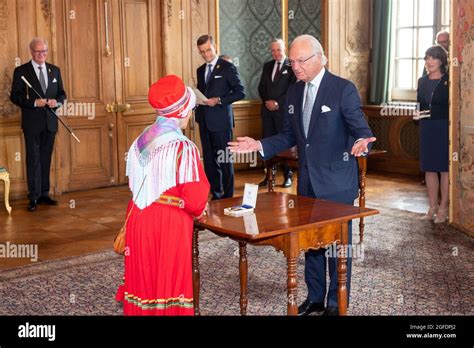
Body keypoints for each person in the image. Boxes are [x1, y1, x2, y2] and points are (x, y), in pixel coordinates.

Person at [228, 35, 376, 316]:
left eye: (300, 61)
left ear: (320, 58)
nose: (294, 67)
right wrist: (258, 145)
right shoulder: (294, 92)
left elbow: (363, 133)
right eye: (292, 62)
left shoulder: (342, 89)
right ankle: (316, 298)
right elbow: (288, 135)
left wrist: (363, 144)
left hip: (337, 186)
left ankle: (336, 303)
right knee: (312, 246)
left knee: (336, 249)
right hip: (307, 183)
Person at [116, 75, 210, 315]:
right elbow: (196, 199)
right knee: (169, 280)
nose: (190, 114)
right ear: (180, 113)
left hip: (138, 219)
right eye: (189, 109)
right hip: (168, 224)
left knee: (144, 279)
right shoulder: (183, 147)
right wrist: (201, 213)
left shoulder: (139, 141)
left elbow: (133, 185)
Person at [10, 37, 66, 212]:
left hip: (50, 123)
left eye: (44, 51)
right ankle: (33, 197)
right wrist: (35, 102)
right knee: (33, 159)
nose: (41, 54)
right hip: (32, 123)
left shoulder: (54, 71)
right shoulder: (21, 71)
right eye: (38, 51)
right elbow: (15, 96)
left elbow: (62, 95)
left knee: (45, 158)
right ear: (31, 52)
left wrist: (55, 102)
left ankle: (43, 194)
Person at [195, 35, 245, 200]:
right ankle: (216, 194)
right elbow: (202, 93)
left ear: (215, 47)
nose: (206, 55)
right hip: (204, 121)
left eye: (209, 50)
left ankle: (228, 196)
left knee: (224, 160)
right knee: (209, 161)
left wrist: (219, 100)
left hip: (221, 122)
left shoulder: (227, 67)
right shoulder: (200, 70)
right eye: (202, 52)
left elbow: (240, 92)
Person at [416, 46, 449, 223]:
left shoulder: (449, 81)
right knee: (429, 168)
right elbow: (420, 106)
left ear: (441, 61)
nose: (429, 62)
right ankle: (432, 207)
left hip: (443, 127)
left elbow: (451, 108)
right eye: (427, 58)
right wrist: (417, 114)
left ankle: (443, 209)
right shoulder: (422, 81)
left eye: (433, 58)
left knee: (443, 169)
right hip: (426, 128)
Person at [257, 39, 296, 188]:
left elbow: (292, 89)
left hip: (284, 113)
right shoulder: (267, 66)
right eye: (273, 50)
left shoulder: (291, 65)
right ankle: (269, 176)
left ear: (284, 49)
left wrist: (277, 103)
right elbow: (261, 87)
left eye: (278, 50)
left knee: (284, 145)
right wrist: (268, 101)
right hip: (267, 113)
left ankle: (288, 176)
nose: (276, 53)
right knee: (267, 144)